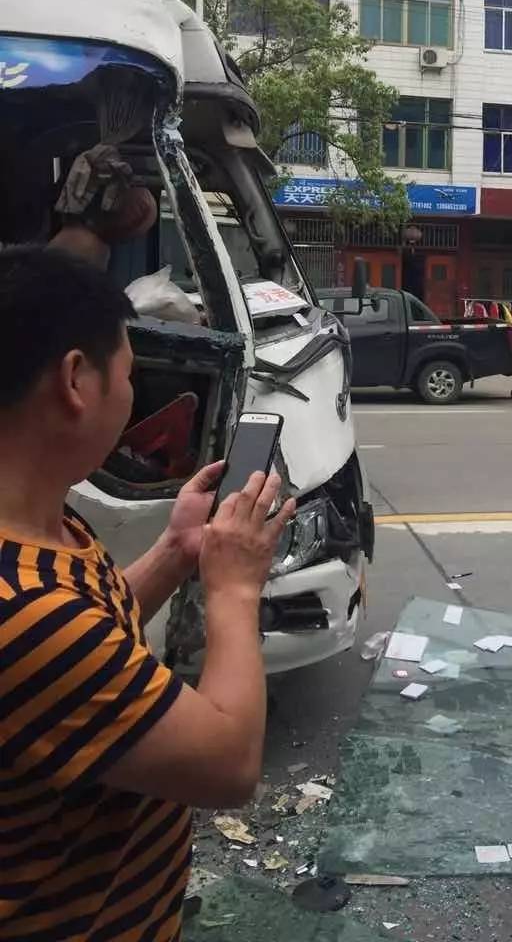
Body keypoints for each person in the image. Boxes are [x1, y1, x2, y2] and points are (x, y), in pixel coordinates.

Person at [0, 246, 294, 940]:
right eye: (129, 374)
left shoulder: (46, 528)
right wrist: (233, 585)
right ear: (77, 381)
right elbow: (229, 764)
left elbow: (89, 643)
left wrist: (176, 552)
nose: (133, 395)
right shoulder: (22, 610)